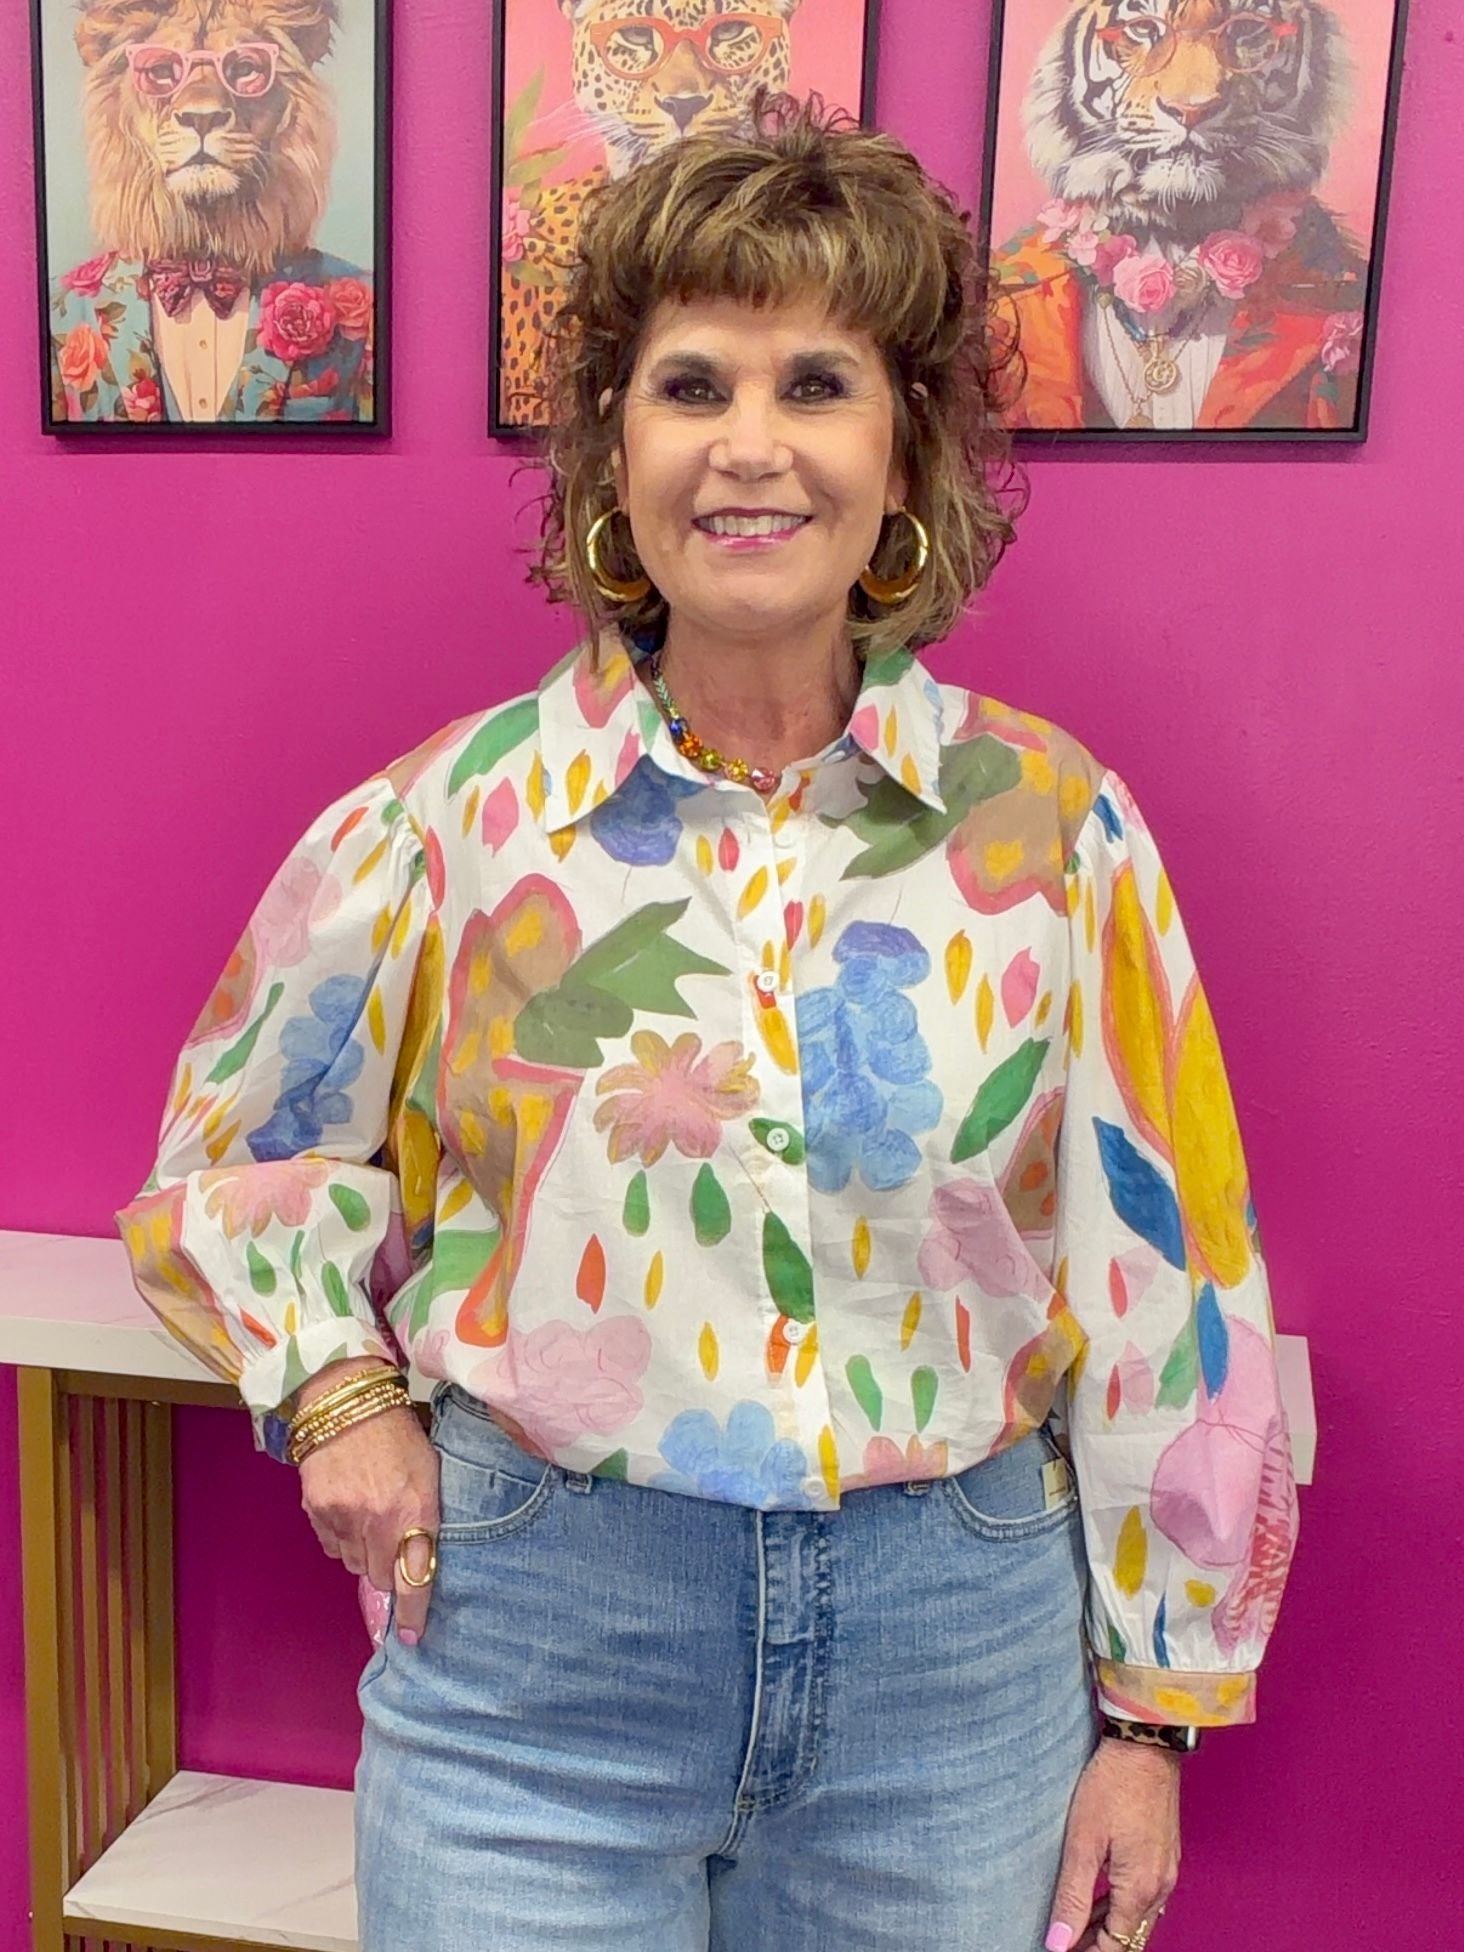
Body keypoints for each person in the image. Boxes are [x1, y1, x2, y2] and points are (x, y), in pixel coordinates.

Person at [115, 90, 1299, 1952]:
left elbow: (1174, 1274)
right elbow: (228, 1157)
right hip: (535, 1663)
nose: (751, 447)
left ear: (904, 452)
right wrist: (337, 1392)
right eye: (692, 386)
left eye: (816, 383)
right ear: (616, 446)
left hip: (952, 1680)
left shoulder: (1055, 832)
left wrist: (1152, 1717)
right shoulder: (451, 822)